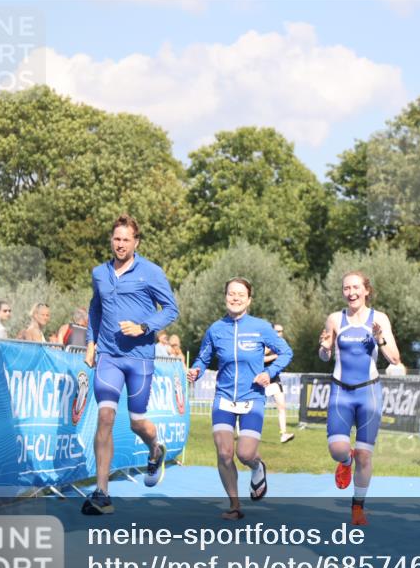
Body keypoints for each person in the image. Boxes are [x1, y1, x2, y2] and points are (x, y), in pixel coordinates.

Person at [82, 214, 179, 515]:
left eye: (126, 239)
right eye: (116, 239)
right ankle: (102, 493)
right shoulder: (100, 273)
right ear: (111, 241)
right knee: (106, 418)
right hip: (109, 356)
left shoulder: (150, 272)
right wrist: (90, 342)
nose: (120, 244)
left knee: (137, 421)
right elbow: (95, 308)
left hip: (139, 358)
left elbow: (171, 310)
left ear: (136, 242)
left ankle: (155, 449)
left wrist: (143, 327)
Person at [187, 278, 292, 520]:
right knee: (224, 453)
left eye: (240, 294)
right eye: (231, 294)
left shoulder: (261, 327)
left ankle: (257, 466)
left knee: (244, 454)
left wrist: (269, 372)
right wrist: (196, 371)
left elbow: (286, 352)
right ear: (225, 297)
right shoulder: (215, 329)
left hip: (252, 397)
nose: (235, 298)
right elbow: (203, 359)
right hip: (223, 397)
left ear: (249, 299)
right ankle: (235, 506)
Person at [318, 271, 401, 525]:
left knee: (365, 456)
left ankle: (357, 506)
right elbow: (324, 356)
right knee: (338, 449)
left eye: (356, 287)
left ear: (366, 290)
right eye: (346, 288)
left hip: (369, 393)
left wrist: (380, 339)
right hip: (341, 391)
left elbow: (394, 358)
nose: (351, 292)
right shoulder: (335, 319)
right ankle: (345, 461)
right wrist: (324, 347)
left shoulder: (380, 319)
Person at [264, 324, 295, 443]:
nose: (279, 333)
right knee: (253, 408)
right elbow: (260, 358)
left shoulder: (281, 344)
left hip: (274, 379)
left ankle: (283, 434)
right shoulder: (266, 343)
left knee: (282, 406)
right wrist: (275, 356)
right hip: (262, 377)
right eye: (277, 331)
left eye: (281, 331)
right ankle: (241, 430)